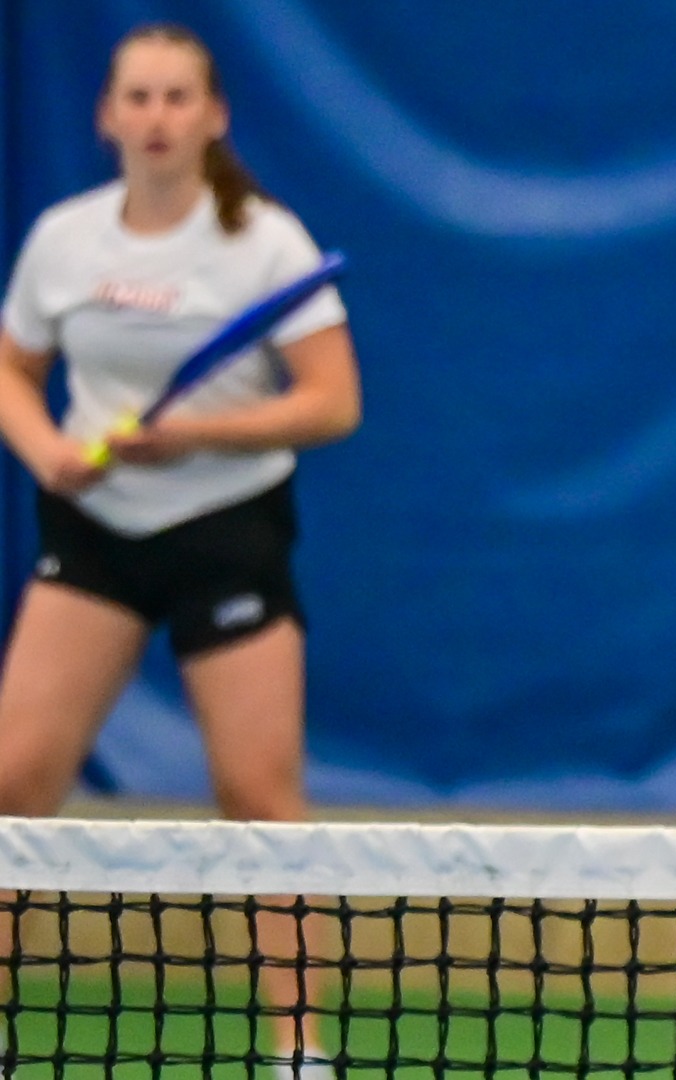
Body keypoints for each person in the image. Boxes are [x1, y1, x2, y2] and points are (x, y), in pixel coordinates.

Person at [0, 24, 359, 1080]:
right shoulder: (65, 242)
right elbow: (12, 369)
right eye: (138, 98)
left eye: (176, 98)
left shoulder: (268, 247)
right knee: (12, 783)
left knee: (261, 800)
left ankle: (298, 1054)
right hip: (97, 535)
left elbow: (334, 403)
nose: (156, 118)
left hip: (227, 536)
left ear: (213, 117)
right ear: (108, 117)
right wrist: (49, 452)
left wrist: (197, 434)